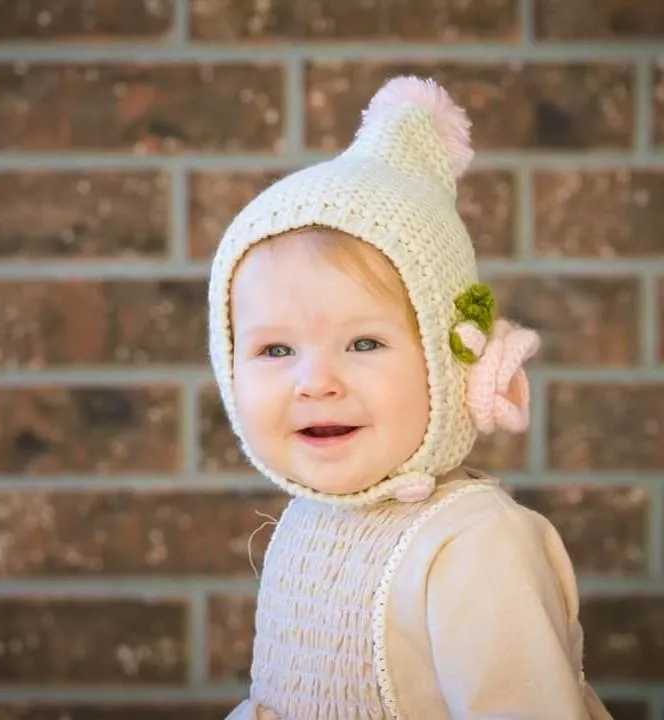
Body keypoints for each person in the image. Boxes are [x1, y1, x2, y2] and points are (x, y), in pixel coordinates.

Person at [207, 75, 612, 719]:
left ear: (450, 360)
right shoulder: (311, 519)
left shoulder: (473, 547)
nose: (315, 381)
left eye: (364, 343)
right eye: (276, 350)